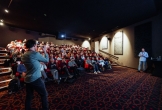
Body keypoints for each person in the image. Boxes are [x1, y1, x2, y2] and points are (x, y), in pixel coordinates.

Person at [21, 39, 49, 110]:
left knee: (29, 96)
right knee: (44, 94)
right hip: (35, 78)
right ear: (34, 45)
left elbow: (31, 63)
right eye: (36, 45)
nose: (36, 46)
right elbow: (46, 60)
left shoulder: (24, 55)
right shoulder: (35, 54)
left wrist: (38, 63)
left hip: (28, 79)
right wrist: (45, 51)